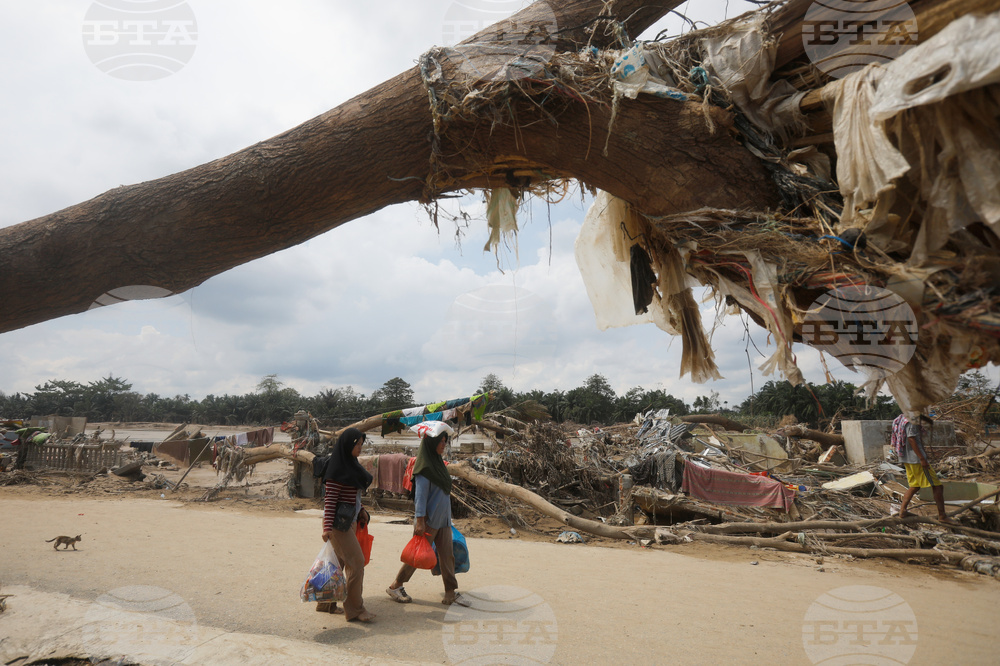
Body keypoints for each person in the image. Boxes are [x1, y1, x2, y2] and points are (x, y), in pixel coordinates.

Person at [387, 428, 470, 607]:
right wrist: (420, 521)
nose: (443, 444)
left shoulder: (439, 465)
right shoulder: (425, 468)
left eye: (445, 441)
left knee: (448, 557)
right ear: (431, 443)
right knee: (417, 557)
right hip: (429, 521)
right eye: (441, 441)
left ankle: (450, 592)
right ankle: (396, 585)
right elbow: (421, 497)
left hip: (444, 520)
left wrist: (449, 519)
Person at [320, 427, 376, 622]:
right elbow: (330, 501)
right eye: (357, 444)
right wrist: (326, 528)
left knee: (337, 564)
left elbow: (352, 498)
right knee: (357, 562)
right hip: (337, 526)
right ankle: (355, 609)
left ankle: (326, 602)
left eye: (361, 444)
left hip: (349, 522)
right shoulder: (337, 470)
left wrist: (361, 511)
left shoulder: (350, 466)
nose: (360, 448)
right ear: (347, 445)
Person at [897, 415, 955, 524]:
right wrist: (922, 458)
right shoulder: (913, 419)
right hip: (916, 460)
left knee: (914, 486)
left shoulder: (901, 417)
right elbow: (911, 438)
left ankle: (902, 511)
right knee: (937, 486)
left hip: (907, 458)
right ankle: (942, 516)